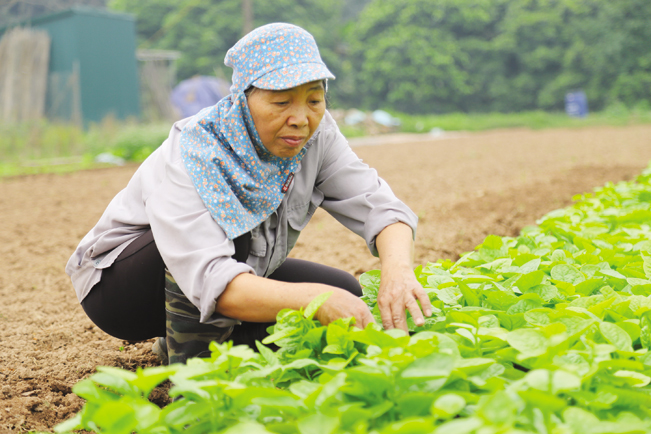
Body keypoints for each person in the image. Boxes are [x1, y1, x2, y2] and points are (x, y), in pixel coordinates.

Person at [65, 23, 432, 364]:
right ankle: (193, 375)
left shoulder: (317, 137)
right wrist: (314, 301)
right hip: (119, 290)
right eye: (281, 101)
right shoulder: (198, 149)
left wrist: (398, 271)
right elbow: (213, 276)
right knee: (238, 235)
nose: (301, 118)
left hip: (227, 268)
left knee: (344, 291)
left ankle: (184, 342)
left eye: (314, 100)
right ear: (243, 99)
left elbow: (379, 206)